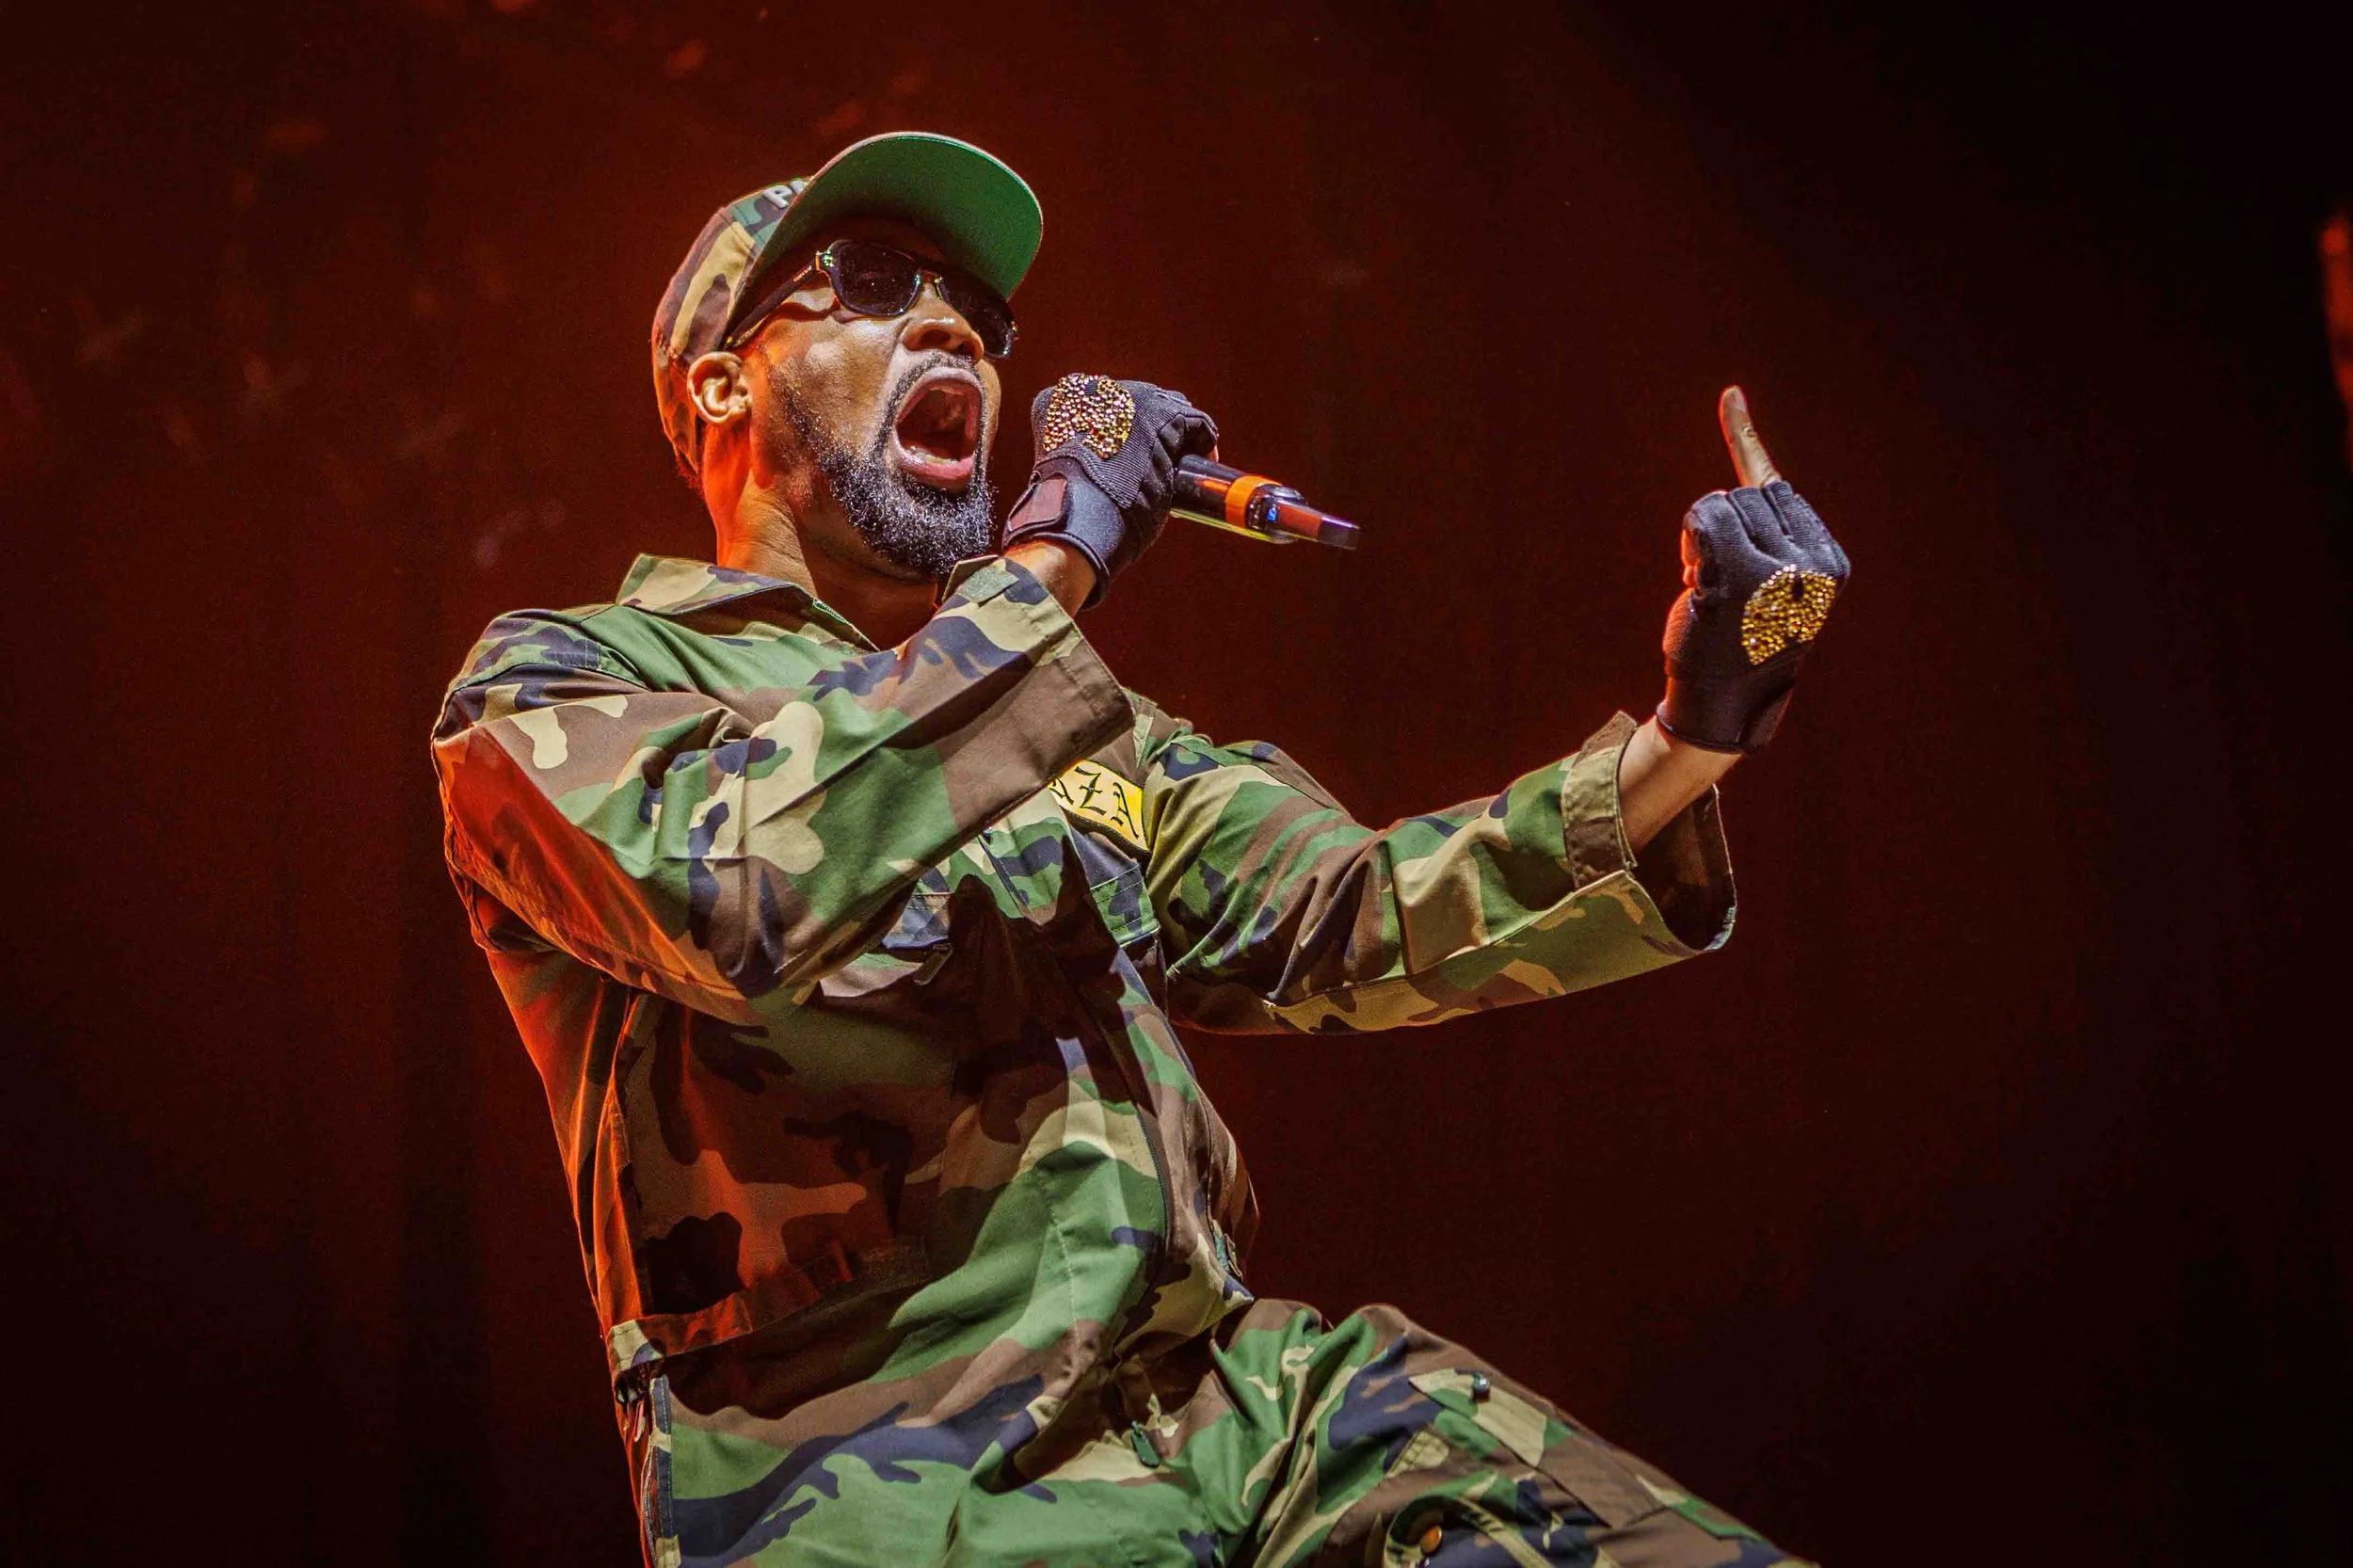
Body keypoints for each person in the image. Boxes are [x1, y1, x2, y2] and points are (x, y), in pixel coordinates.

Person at [431, 131, 1848, 1568]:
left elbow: (1359, 910)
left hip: (1227, 1416)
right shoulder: (563, 683)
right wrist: (1054, 561)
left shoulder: (1080, 726)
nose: (953, 329)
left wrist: (1694, 733)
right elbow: (737, 884)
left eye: (977, 314)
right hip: (902, 1479)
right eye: (870, 281)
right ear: (719, 383)